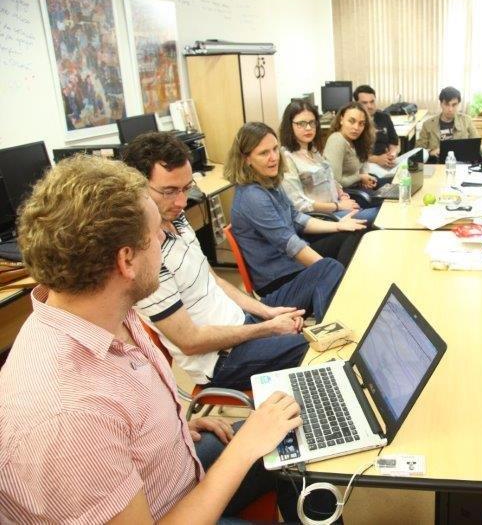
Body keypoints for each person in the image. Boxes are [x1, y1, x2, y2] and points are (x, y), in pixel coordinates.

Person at [0, 155, 312, 522]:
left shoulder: (109, 309)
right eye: (156, 233)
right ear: (126, 260)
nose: (166, 235)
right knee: (273, 440)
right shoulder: (66, 416)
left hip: (175, 473)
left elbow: (124, 417)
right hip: (170, 513)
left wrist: (172, 429)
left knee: (296, 440)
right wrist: (244, 448)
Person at [123, 132, 311, 392]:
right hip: (220, 360)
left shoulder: (176, 218)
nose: (182, 201)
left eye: (186, 188)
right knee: (310, 348)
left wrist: (266, 313)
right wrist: (267, 328)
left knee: (314, 322)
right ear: (138, 187)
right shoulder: (145, 256)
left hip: (240, 326)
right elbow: (190, 342)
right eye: (169, 191)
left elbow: (214, 279)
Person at [227, 122, 366, 304]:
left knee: (351, 233)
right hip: (278, 281)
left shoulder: (269, 181)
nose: (274, 157)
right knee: (332, 269)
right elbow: (289, 244)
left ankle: (335, 296)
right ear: (246, 159)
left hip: (292, 264)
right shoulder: (253, 197)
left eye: (275, 149)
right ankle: (334, 304)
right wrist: (328, 269)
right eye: (264, 153)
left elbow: (296, 218)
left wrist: (338, 225)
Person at [279, 100, 378, 224]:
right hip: (320, 219)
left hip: (336, 209)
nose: (308, 128)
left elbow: (330, 178)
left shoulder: (313, 151)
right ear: (290, 126)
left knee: (382, 211)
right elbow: (299, 204)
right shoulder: (287, 158)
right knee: (379, 214)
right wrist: (338, 206)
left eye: (312, 122)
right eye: (301, 123)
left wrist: (341, 194)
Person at [323, 101, 382, 191]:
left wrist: (365, 178)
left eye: (361, 123)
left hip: (357, 186)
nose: (356, 128)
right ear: (341, 119)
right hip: (346, 194)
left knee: (394, 183)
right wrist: (360, 177)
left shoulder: (357, 139)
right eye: (351, 121)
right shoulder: (337, 140)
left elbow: (364, 163)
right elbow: (335, 182)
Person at [417, 86, 479, 161]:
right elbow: (418, 152)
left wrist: (479, 150)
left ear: (458, 104)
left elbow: (477, 146)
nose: (450, 109)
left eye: (454, 105)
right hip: (436, 164)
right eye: (446, 104)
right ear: (441, 104)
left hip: (461, 164)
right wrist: (430, 152)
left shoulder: (467, 121)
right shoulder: (428, 124)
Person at [353, 84, 400, 168]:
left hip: (387, 162)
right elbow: (353, 154)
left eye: (372, 102)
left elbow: (394, 143)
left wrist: (392, 155)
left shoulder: (384, 117)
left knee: (420, 153)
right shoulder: (353, 122)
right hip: (366, 164)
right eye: (364, 103)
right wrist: (377, 159)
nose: (370, 106)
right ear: (356, 104)